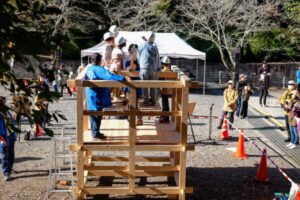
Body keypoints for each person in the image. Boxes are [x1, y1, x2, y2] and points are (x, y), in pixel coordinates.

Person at [85, 53, 130, 139]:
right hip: (96, 93)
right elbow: (109, 76)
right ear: (99, 60)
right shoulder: (98, 69)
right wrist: (122, 78)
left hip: (90, 92)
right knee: (97, 113)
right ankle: (95, 133)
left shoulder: (89, 68)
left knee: (93, 112)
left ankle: (95, 132)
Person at [138, 32, 160, 105]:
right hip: (153, 68)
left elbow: (138, 57)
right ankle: (153, 100)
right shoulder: (154, 46)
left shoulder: (141, 45)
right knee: (153, 85)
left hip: (144, 68)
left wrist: (140, 64)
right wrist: (158, 68)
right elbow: (157, 58)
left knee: (144, 85)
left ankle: (146, 101)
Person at [0, 96, 17, 181]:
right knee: (4, 156)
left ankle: (9, 169)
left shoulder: (7, 112)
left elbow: (12, 122)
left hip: (11, 135)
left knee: (11, 154)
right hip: (3, 137)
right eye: (3, 102)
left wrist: (14, 117)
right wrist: (2, 139)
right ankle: (6, 173)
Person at [110, 36, 127, 102]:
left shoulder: (115, 50)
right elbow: (119, 63)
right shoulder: (118, 51)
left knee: (115, 86)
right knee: (116, 86)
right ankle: (116, 98)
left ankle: (116, 97)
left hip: (113, 68)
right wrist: (123, 71)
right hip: (116, 69)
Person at [159, 56, 172, 123]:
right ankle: (165, 116)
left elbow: (160, 80)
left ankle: (165, 117)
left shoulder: (163, 71)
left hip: (164, 90)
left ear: (163, 63)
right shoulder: (170, 71)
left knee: (165, 104)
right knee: (166, 103)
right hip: (169, 89)